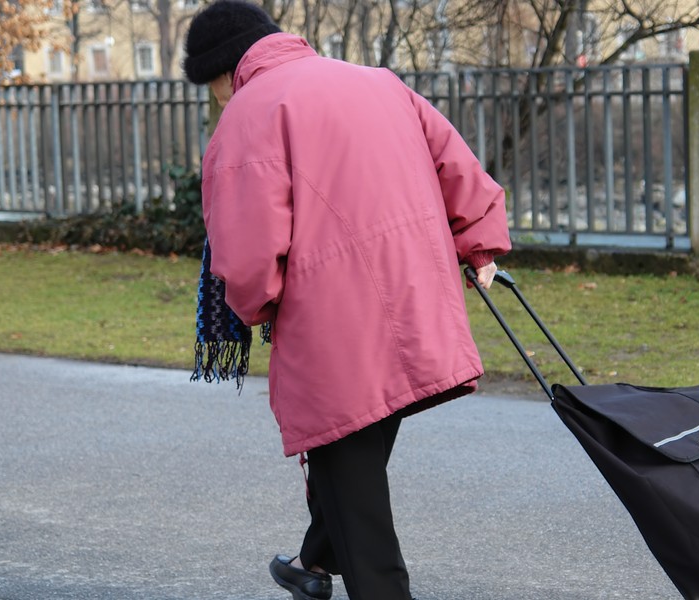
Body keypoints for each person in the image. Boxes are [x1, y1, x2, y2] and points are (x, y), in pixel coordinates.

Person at [182, 2, 511, 598]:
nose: (217, 99)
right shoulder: (377, 81)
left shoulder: (249, 113)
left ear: (225, 72)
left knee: (347, 454)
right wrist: (480, 244)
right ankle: (313, 563)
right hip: (416, 290)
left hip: (330, 313)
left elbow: (248, 244)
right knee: (356, 441)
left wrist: (259, 306)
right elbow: (455, 166)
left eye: (212, 88)